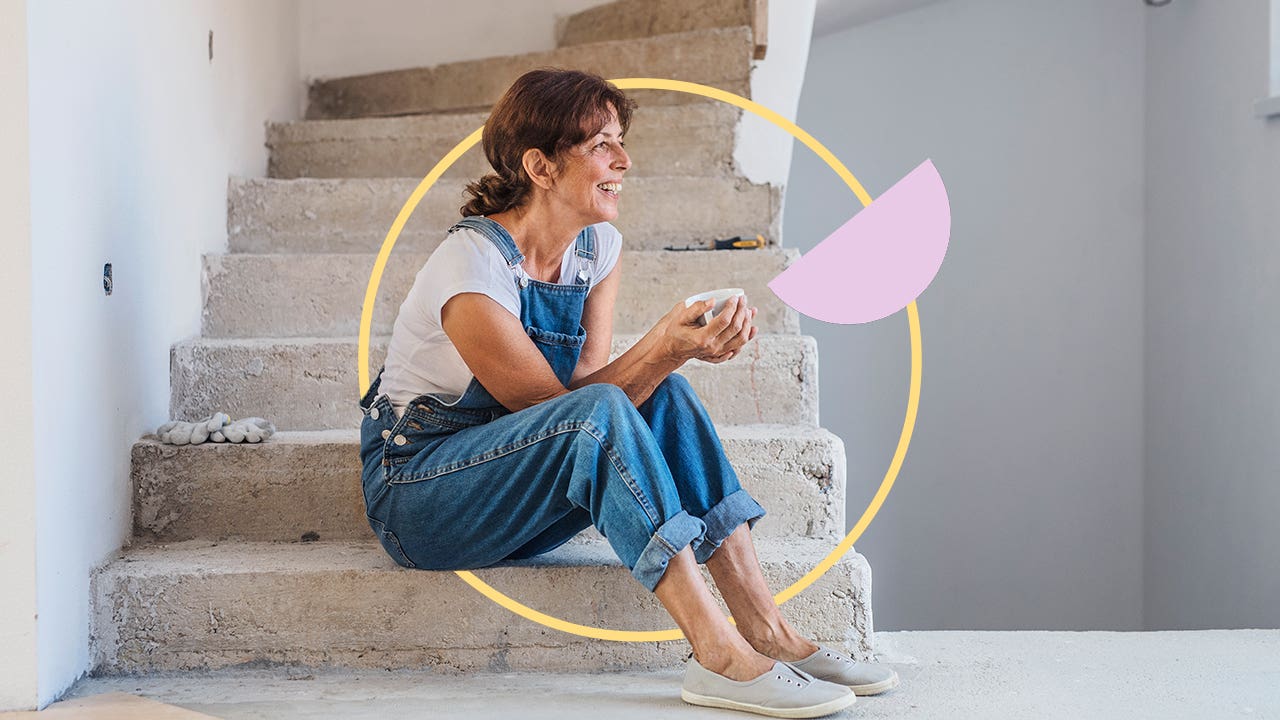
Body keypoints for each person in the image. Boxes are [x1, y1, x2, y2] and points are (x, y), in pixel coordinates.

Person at [358, 68, 897, 718]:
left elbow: (585, 393)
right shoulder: (470, 265)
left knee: (661, 398)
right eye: (601, 145)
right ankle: (717, 654)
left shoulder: (597, 249)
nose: (624, 160)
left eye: (621, 140)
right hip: (419, 494)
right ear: (542, 166)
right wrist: (663, 346)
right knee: (623, 399)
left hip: (512, 481)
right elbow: (548, 410)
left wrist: (674, 354)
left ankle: (765, 630)